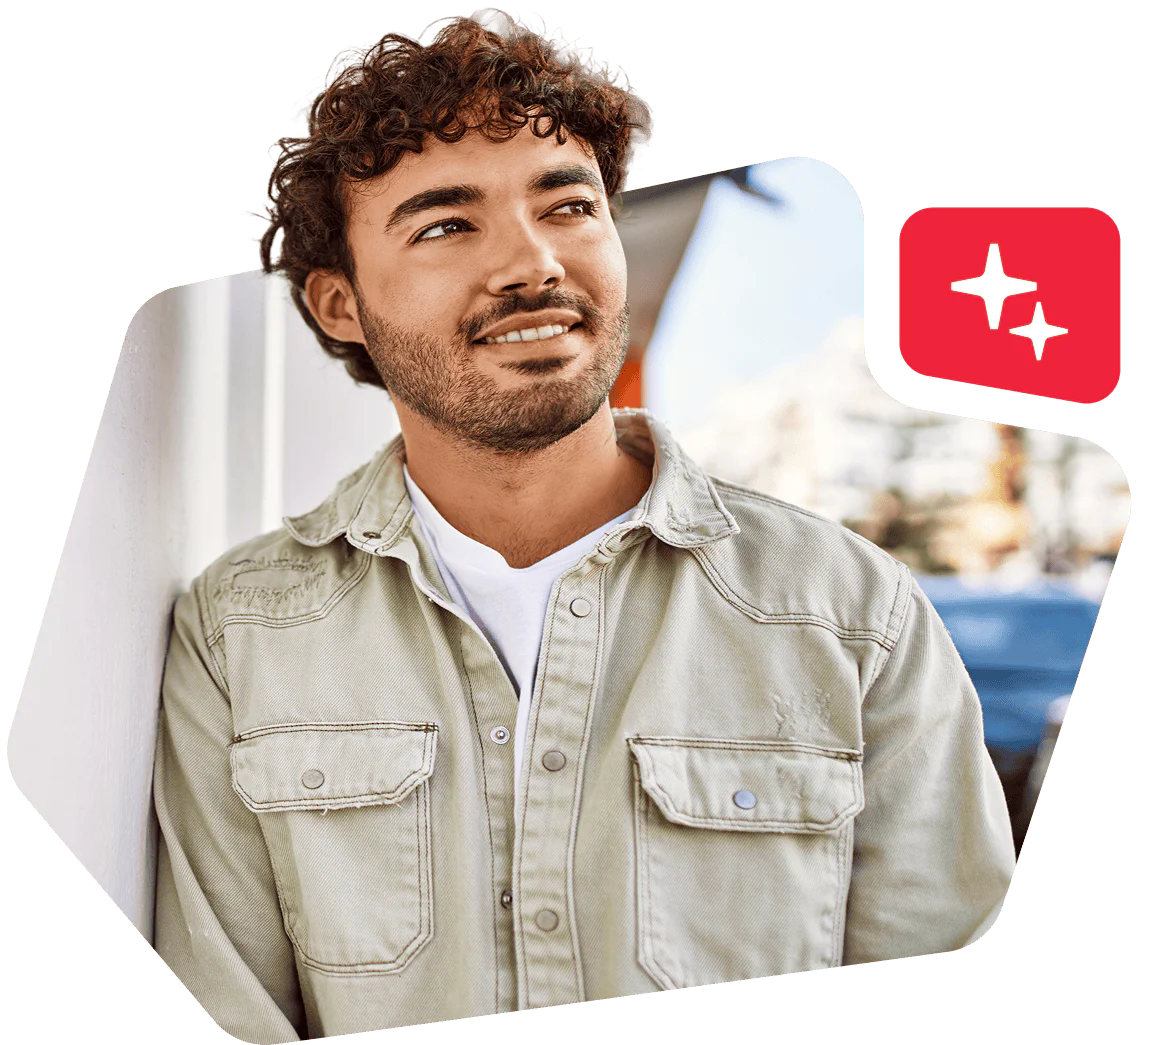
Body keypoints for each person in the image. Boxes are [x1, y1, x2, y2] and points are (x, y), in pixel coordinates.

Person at [151, 10, 1016, 1044]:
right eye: (445, 224)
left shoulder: (852, 617)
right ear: (341, 305)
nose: (534, 263)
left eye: (569, 207)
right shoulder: (242, 635)